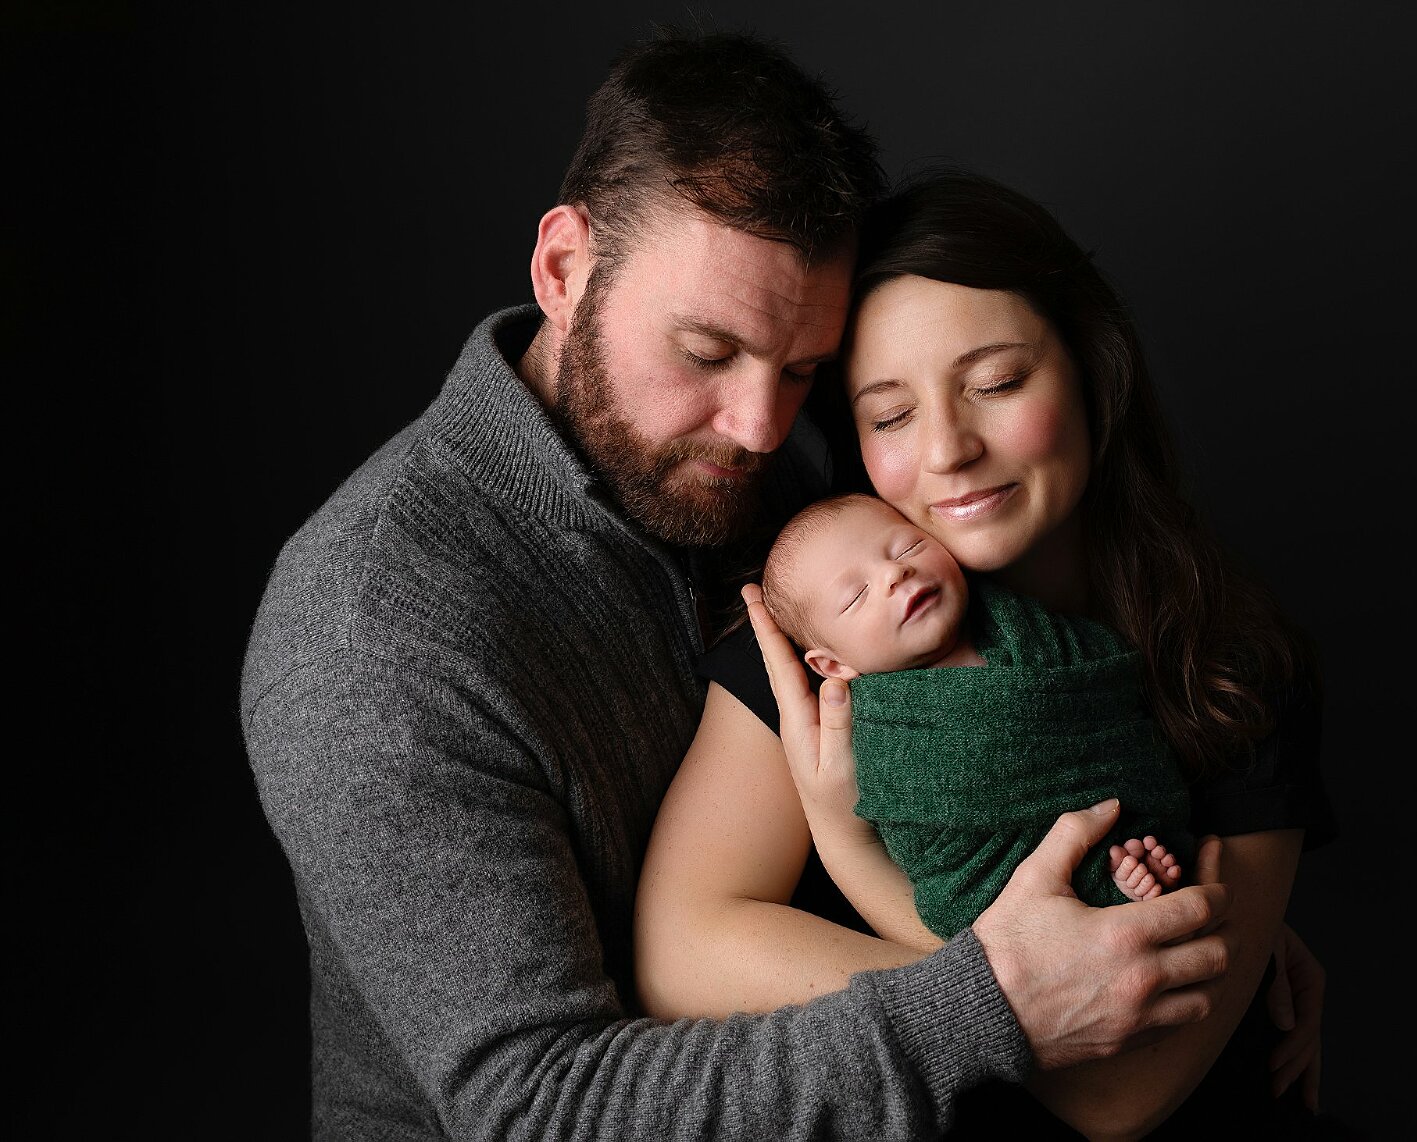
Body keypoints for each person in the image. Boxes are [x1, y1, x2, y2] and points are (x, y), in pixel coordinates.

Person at [239, 32, 1271, 1140]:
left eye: (800, 372)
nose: (759, 427)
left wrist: (1228, 922)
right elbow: (539, 1106)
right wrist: (999, 998)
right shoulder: (371, 633)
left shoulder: (761, 482)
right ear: (560, 269)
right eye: (705, 350)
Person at [635, 171, 1337, 1138]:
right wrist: (1021, 986)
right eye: (890, 415)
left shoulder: (1225, 669)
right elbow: (681, 953)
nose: (949, 449)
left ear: (1092, 373)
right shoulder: (826, 645)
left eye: (997, 383)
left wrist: (850, 856)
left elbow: (1116, 1093)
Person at [759, 490, 1191, 924]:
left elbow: (1108, 677)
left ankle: (1128, 867)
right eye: (855, 596)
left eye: (909, 547)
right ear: (834, 663)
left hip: (1130, 819)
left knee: (1145, 855)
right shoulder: (890, 735)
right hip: (1005, 885)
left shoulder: (1027, 629)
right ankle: (1107, 884)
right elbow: (938, 862)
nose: (895, 572)